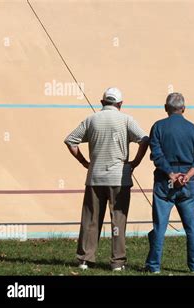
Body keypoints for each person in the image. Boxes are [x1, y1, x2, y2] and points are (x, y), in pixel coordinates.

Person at [64, 87, 149, 271]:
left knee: (91, 220)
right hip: (119, 178)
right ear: (120, 104)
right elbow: (144, 139)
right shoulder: (126, 120)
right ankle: (117, 262)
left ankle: (85, 259)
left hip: (95, 177)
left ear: (102, 102)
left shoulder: (91, 119)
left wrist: (84, 162)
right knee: (118, 220)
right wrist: (135, 162)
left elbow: (71, 141)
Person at [145, 92, 194, 274]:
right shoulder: (193, 129)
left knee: (159, 227)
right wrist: (187, 175)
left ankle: (154, 266)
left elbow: (157, 155)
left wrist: (171, 174)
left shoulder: (158, 127)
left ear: (166, 108)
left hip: (165, 182)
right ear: (184, 109)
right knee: (191, 227)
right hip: (188, 183)